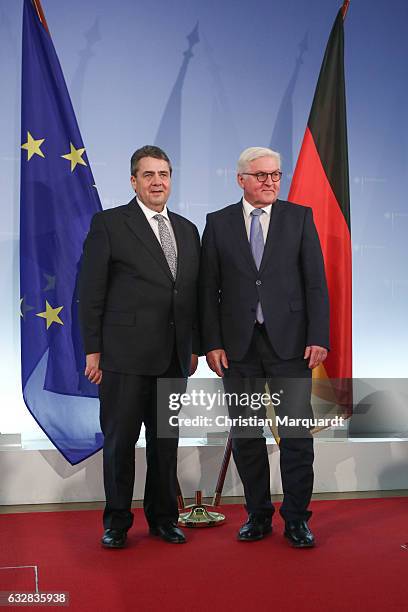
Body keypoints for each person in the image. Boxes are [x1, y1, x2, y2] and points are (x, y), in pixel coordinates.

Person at [200, 146, 329, 547]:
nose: (270, 182)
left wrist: (318, 336)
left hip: (291, 345)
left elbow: (315, 283)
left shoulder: (299, 217)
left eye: (275, 175)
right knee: (246, 435)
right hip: (237, 348)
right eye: (261, 176)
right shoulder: (218, 222)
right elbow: (207, 290)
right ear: (241, 179)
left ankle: (296, 519)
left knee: (295, 436)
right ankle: (257, 515)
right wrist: (212, 343)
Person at [79, 145, 200, 548]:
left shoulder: (186, 229)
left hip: (173, 359)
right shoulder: (110, 224)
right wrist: (92, 349)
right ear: (133, 181)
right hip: (123, 357)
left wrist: (195, 345)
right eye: (148, 175)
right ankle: (116, 523)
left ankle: (164, 518)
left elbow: (192, 294)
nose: (157, 182)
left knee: (165, 444)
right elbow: (90, 291)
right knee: (119, 444)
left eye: (163, 174)